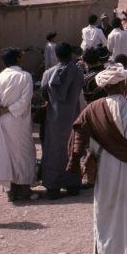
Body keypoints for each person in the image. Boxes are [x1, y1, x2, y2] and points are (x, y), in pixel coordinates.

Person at [68, 65, 127, 254]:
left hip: (103, 169)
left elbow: (80, 135)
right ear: (123, 84)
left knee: (105, 217)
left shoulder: (92, 109)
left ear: (104, 87)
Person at [0, 48, 38, 202]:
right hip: (19, 120)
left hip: (4, 120)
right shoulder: (25, 76)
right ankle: (23, 191)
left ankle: (11, 192)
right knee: (23, 154)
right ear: (18, 59)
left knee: (7, 155)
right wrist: (10, 109)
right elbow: (25, 100)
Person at [40, 42, 83, 199]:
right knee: (73, 148)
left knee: (54, 151)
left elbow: (44, 93)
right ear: (71, 54)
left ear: (56, 56)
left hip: (54, 118)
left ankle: (53, 186)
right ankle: (73, 183)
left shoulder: (48, 74)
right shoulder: (78, 71)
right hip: (73, 116)